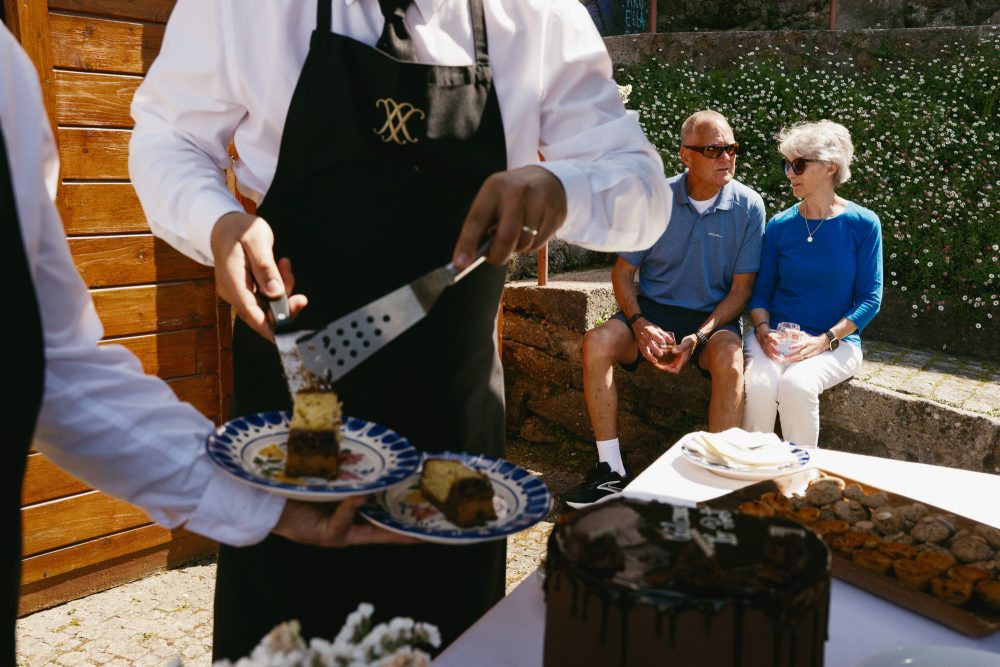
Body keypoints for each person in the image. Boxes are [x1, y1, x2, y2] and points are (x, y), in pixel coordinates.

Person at [128, 0, 670, 658]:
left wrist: (564, 187)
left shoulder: (539, 13)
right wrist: (213, 218)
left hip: (455, 433)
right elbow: (167, 137)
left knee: (448, 637)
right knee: (282, 637)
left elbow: (643, 188)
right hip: (292, 433)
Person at [0, 24, 413, 662]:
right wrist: (214, 219)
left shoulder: (3, 75)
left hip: (445, 396)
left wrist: (255, 504)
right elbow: (170, 137)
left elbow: (50, 361)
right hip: (279, 353)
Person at [564, 109, 766, 508]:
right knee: (596, 342)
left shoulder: (749, 206)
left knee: (731, 362)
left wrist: (701, 335)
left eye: (731, 148)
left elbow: (741, 291)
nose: (726, 157)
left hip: (712, 317)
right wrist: (638, 323)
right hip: (652, 311)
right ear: (685, 156)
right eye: (713, 149)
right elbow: (623, 274)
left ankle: (715, 482)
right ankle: (611, 472)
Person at [743, 120, 882, 448]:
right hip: (774, 339)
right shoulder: (779, 225)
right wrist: (763, 331)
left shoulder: (863, 225)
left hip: (837, 344)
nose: (790, 173)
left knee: (797, 385)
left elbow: (870, 299)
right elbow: (761, 293)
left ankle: (800, 481)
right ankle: (749, 477)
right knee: (760, 386)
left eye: (799, 165)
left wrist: (823, 341)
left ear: (830, 167)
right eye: (787, 164)